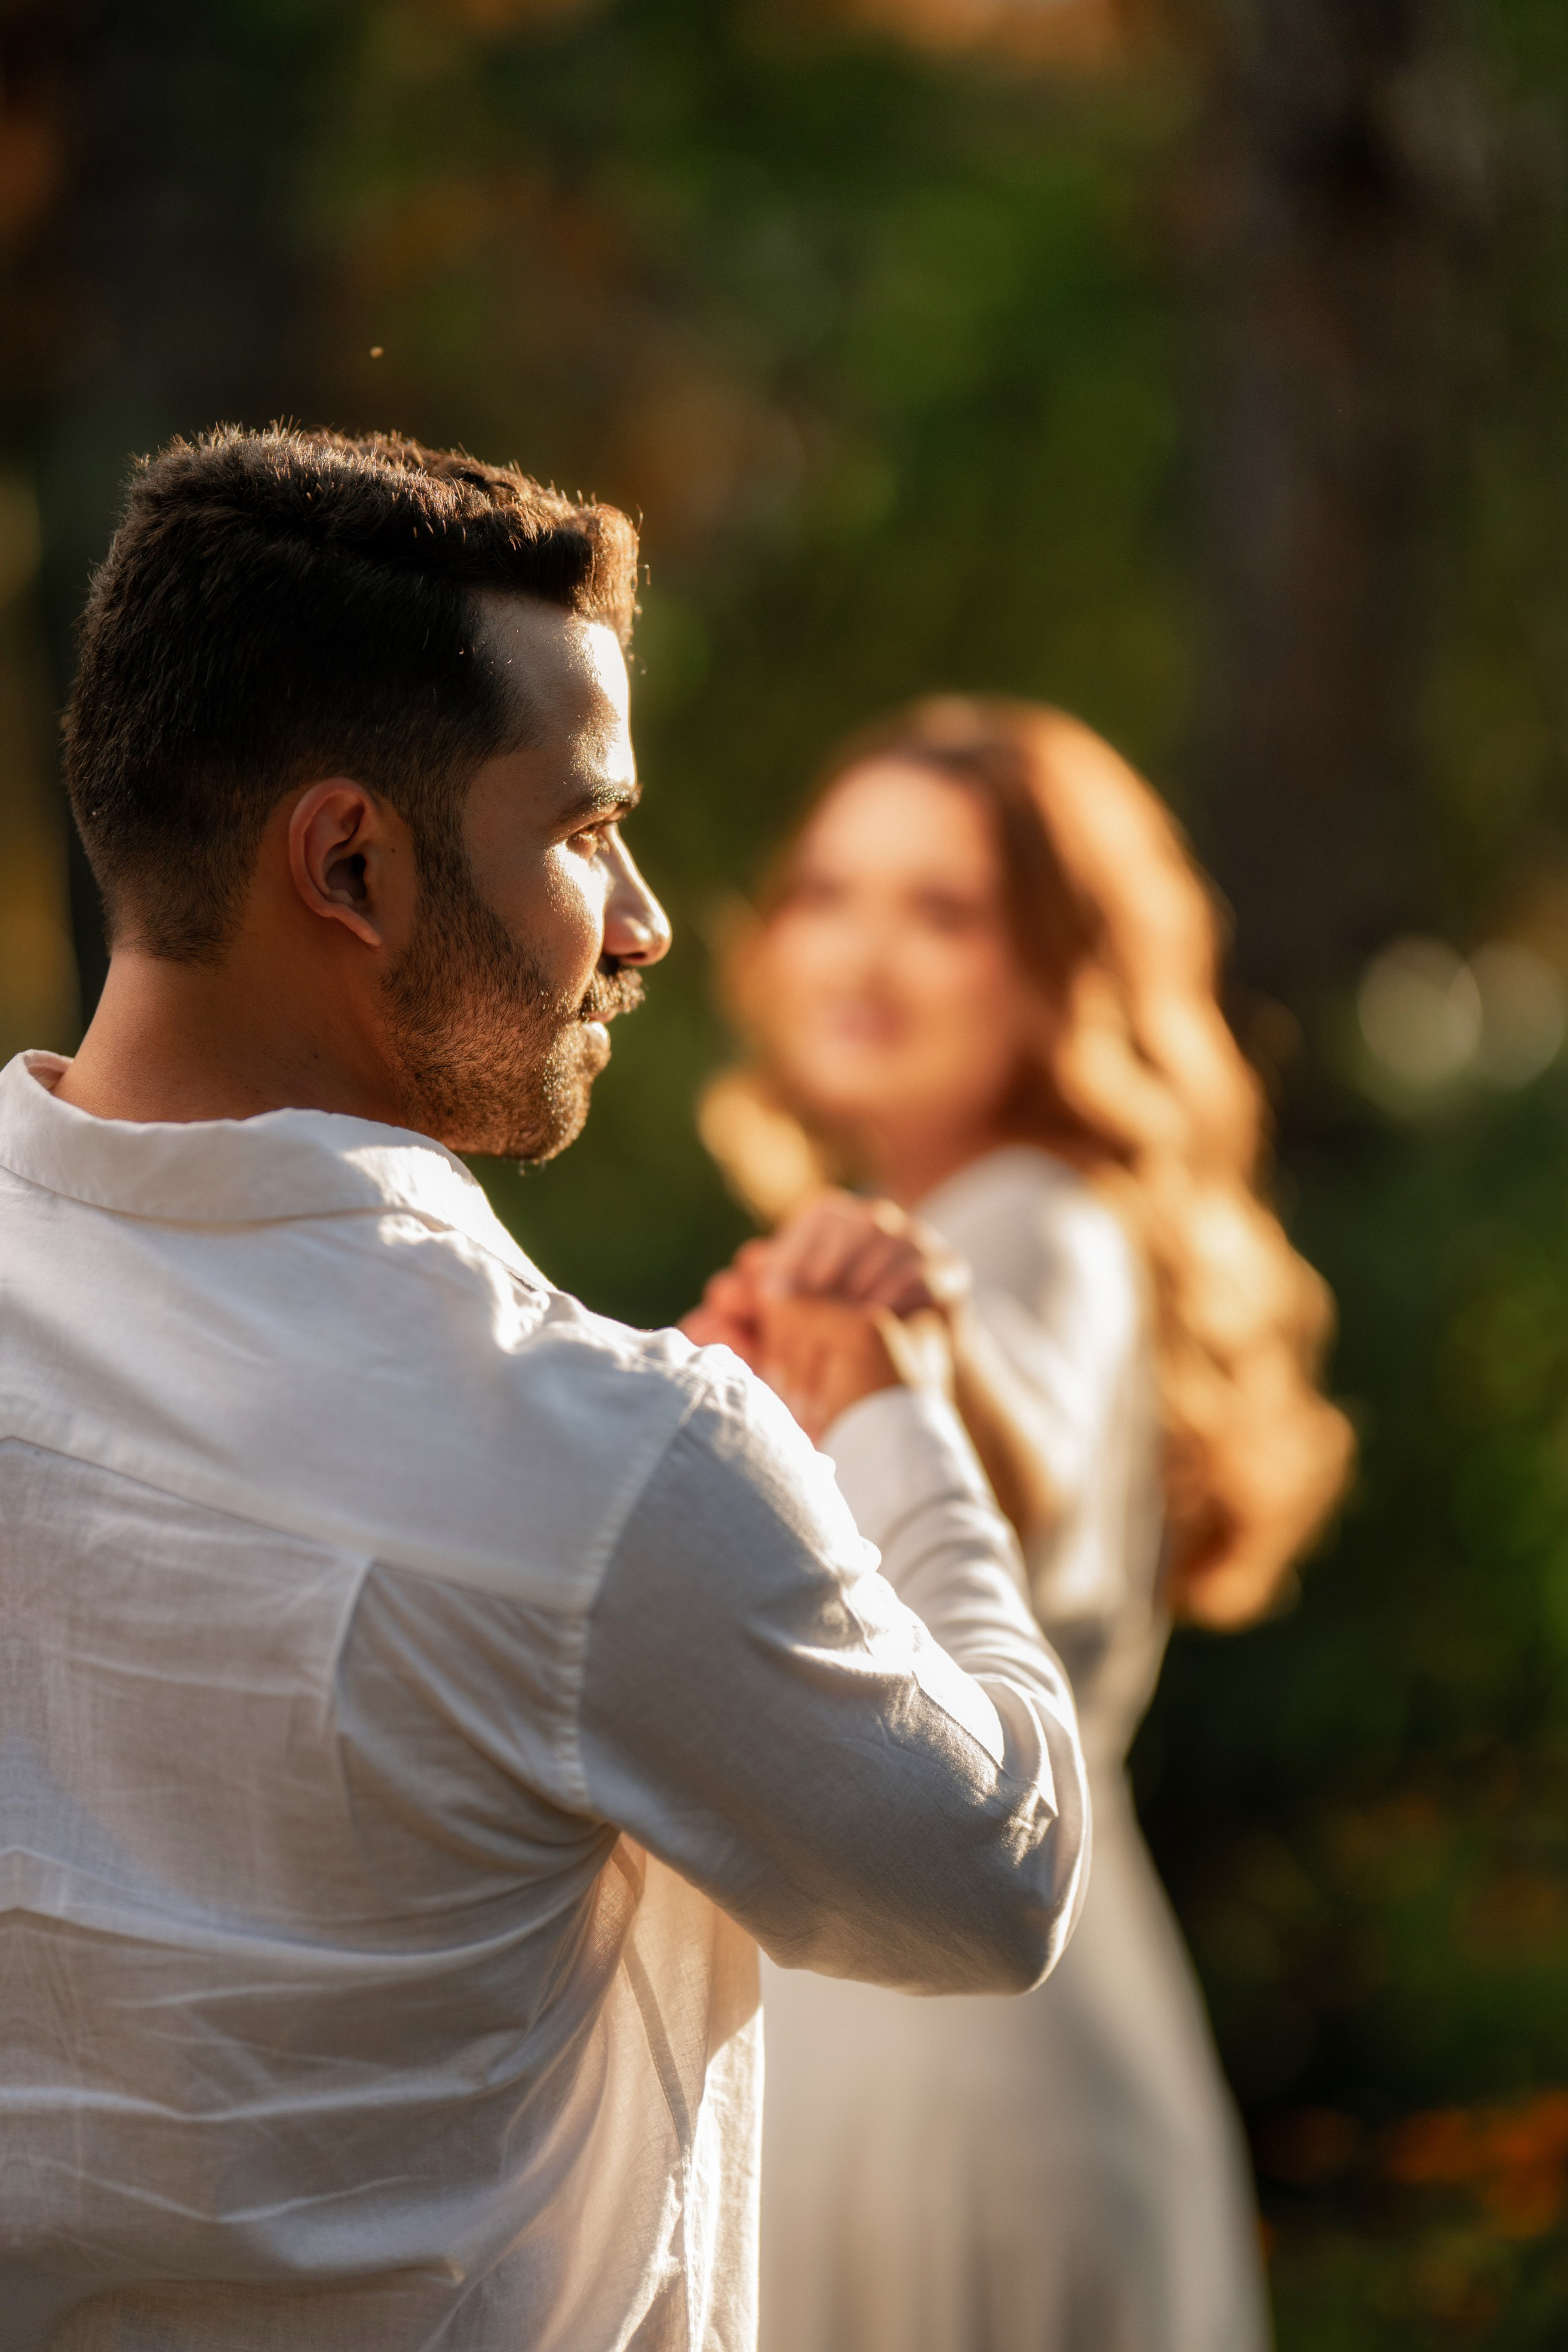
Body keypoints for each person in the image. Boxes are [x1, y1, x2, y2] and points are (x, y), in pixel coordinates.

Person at [0, 435, 1091, 2351]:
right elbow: (990, 1877)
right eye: (588, 830)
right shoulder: (603, 1461)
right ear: (351, 860)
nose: (650, 920)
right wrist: (888, 1419)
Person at [686, 695, 1356, 2352]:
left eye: (945, 910)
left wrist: (906, 1357)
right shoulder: (924, 1228)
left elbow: (1027, 1466)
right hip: (917, 2043)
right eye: (832, 893)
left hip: (958, 2089)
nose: (864, 954)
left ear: (1066, 968)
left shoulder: (1031, 1220)